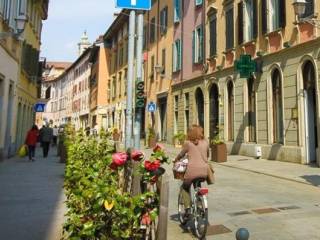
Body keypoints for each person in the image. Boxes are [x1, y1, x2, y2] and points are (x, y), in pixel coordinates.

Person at [174, 125, 209, 219]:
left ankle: (188, 209)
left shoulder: (188, 143)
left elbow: (181, 154)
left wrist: (176, 160)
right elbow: (207, 154)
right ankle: (200, 205)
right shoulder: (205, 142)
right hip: (204, 171)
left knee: (184, 187)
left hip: (191, 171)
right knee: (197, 185)